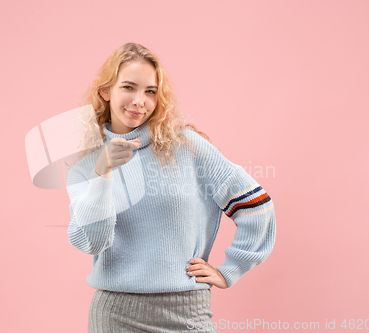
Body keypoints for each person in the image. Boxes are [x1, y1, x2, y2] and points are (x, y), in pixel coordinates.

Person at [65, 42, 276, 333]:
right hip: (116, 316)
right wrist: (103, 173)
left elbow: (256, 205)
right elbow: (92, 242)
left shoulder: (187, 146)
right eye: (128, 87)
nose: (140, 101)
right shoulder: (87, 166)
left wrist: (230, 270)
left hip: (187, 312)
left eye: (150, 91)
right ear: (105, 91)